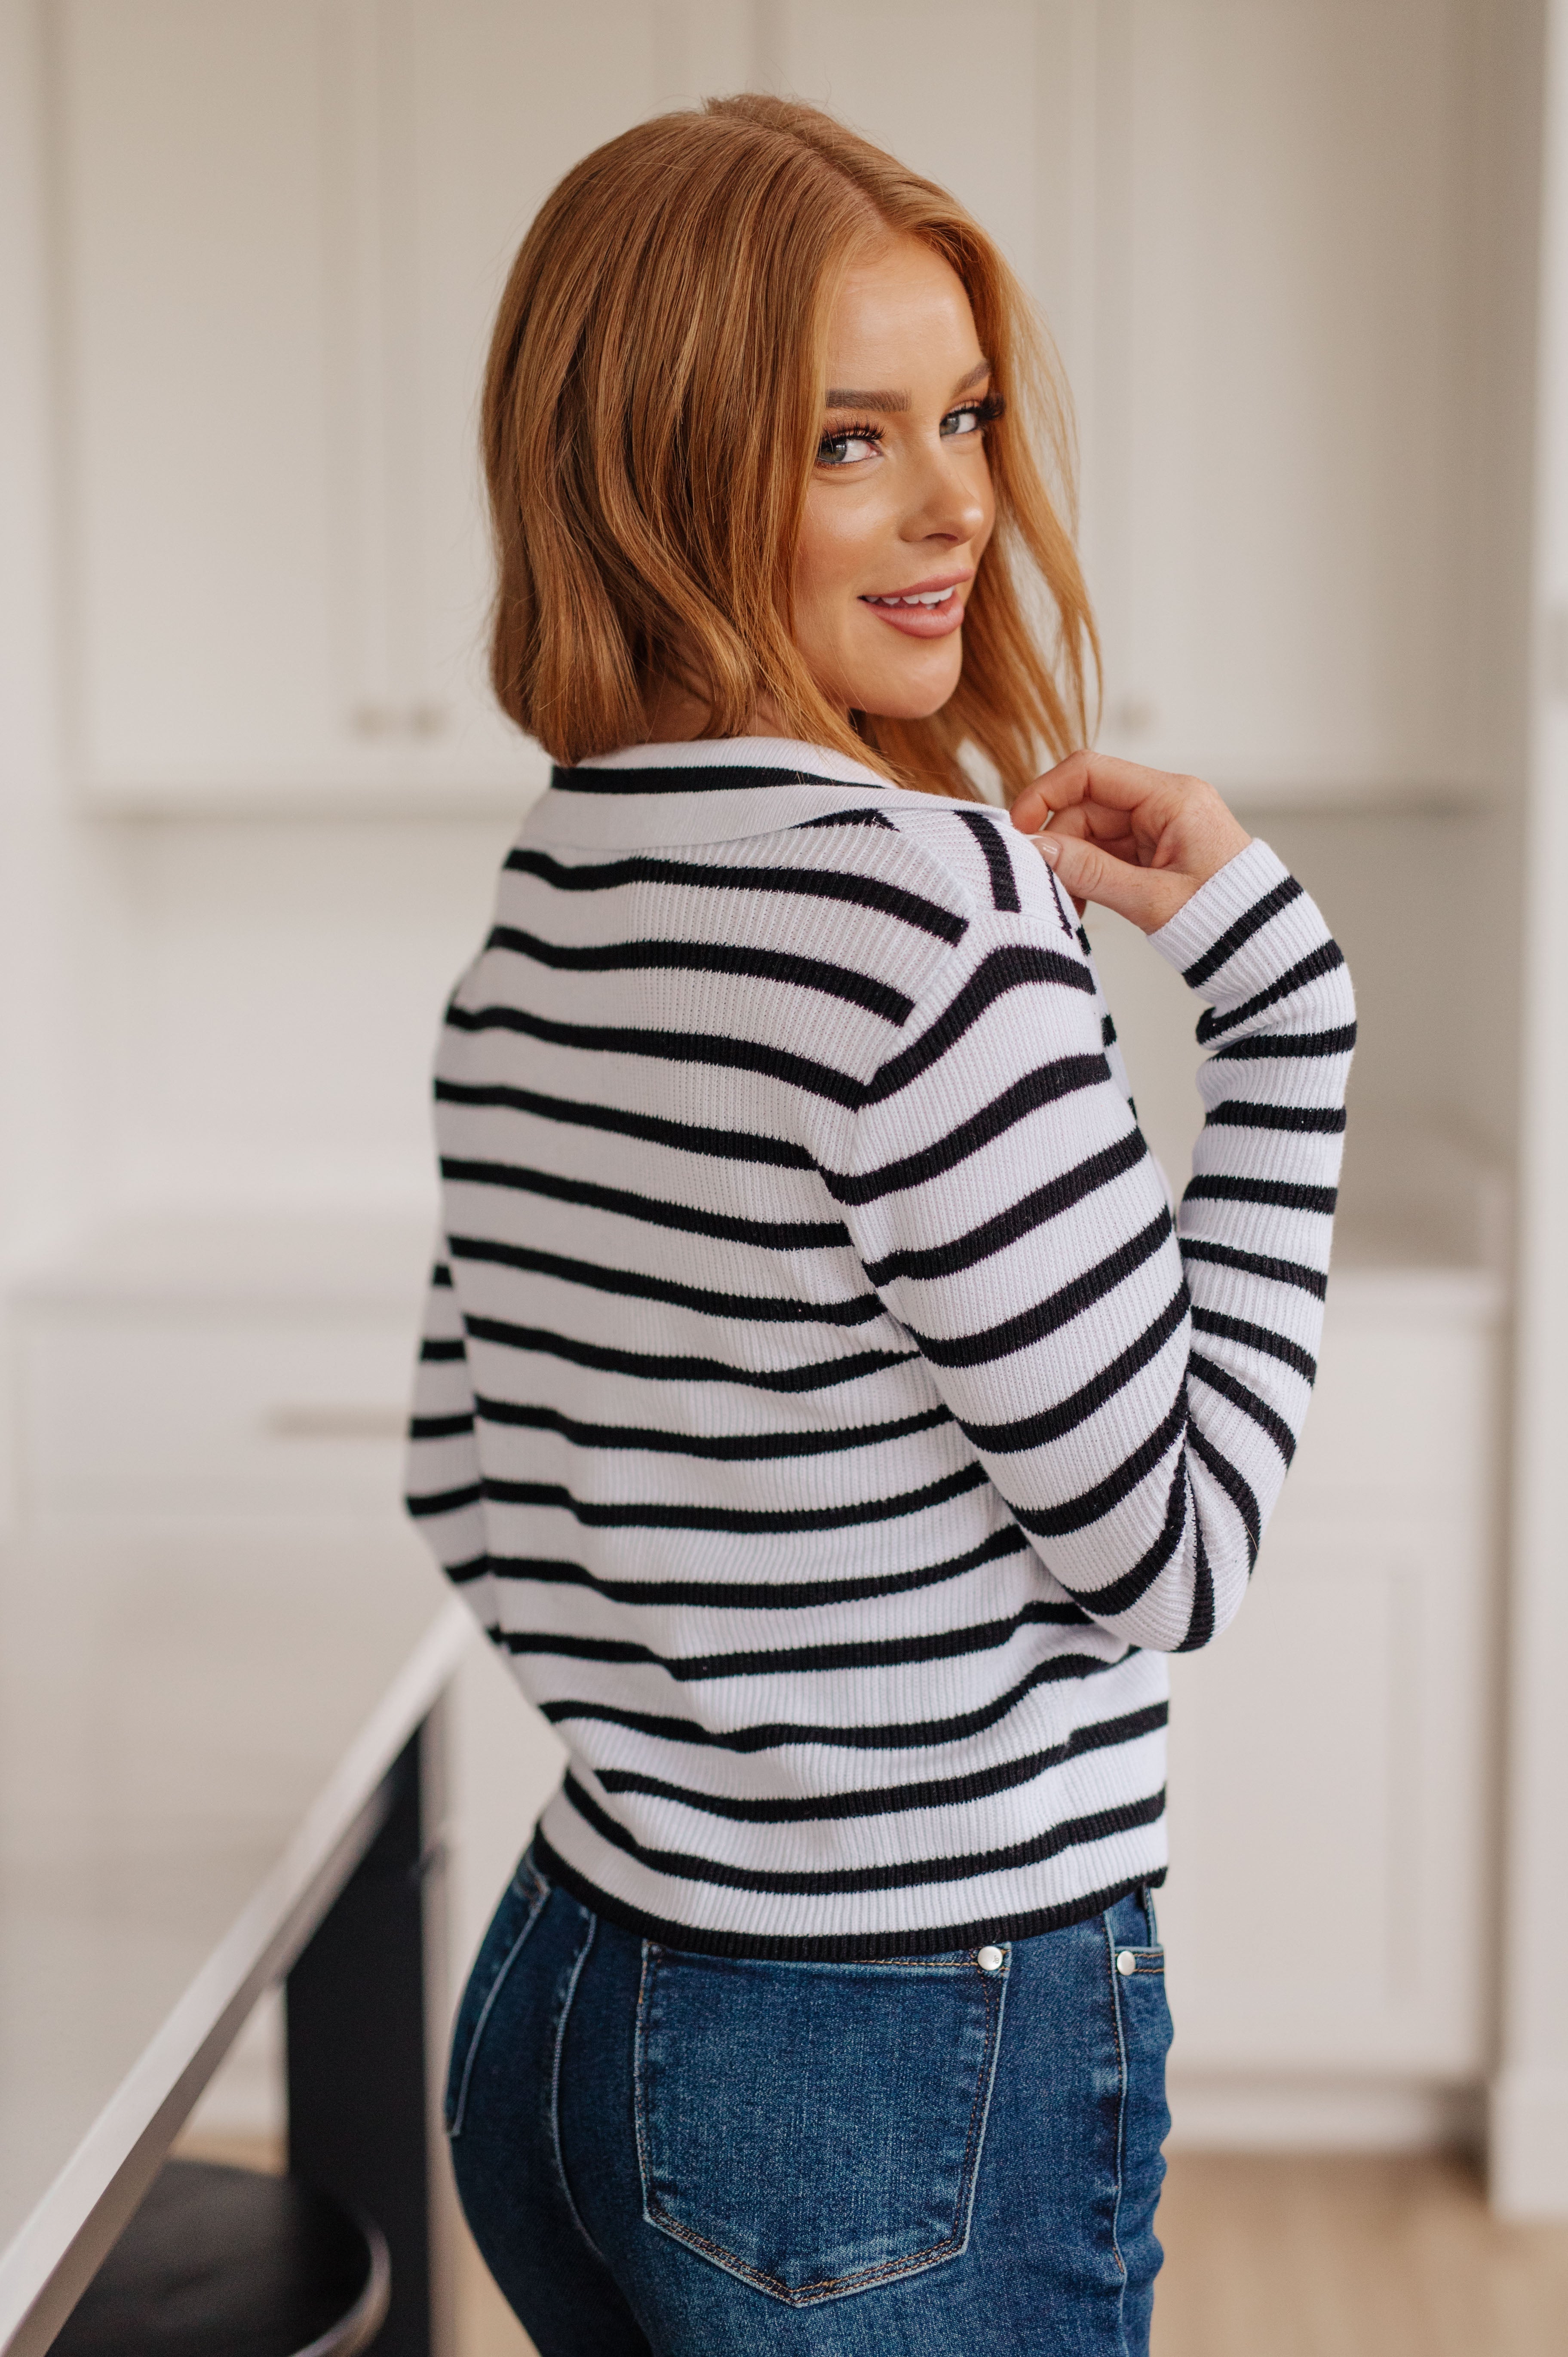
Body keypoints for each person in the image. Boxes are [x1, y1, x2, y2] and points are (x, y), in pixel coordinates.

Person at [405, 92, 1353, 2357]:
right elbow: (1172, 1557)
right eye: (851, 440)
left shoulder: (558, 886)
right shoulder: (923, 915)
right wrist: (1285, 1006)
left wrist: (722, 1739)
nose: (959, 504)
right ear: (660, 474)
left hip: (569, 1996)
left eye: (967, 415)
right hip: (890, 2062)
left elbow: (465, 1479)